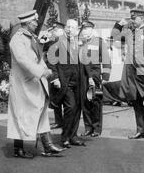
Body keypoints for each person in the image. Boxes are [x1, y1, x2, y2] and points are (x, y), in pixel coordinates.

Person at [7, 10, 64, 158]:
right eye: (34, 22)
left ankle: (47, 144)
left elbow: (37, 58)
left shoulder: (31, 37)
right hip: (23, 84)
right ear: (26, 23)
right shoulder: (17, 39)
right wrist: (41, 71)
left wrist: (45, 71)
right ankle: (18, 149)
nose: (36, 24)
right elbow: (22, 60)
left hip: (33, 82)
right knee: (21, 115)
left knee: (40, 111)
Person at [111, 8, 144, 141]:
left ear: (143, 19)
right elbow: (115, 36)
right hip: (130, 72)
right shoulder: (129, 32)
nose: (132, 20)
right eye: (131, 17)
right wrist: (118, 24)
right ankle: (140, 130)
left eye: (135, 18)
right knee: (136, 102)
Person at [48, 19, 86, 148]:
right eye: (68, 27)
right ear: (65, 29)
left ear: (77, 30)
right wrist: (55, 78)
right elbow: (51, 61)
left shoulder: (79, 43)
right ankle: (65, 137)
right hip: (65, 82)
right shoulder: (58, 42)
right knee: (70, 107)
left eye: (73, 27)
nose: (70, 29)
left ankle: (73, 136)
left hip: (79, 82)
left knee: (77, 109)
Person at [79, 20, 111, 137]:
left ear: (92, 29)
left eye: (86, 29)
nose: (84, 31)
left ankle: (97, 128)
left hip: (95, 74)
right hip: (82, 75)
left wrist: (106, 76)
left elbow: (106, 60)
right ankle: (88, 127)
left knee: (96, 102)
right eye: (83, 29)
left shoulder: (99, 42)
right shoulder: (81, 43)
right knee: (85, 101)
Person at [40, 21, 65, 130]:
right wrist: (46, 33)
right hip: (55, 73)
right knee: (55, 99)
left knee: (66, 100)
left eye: (56, 30)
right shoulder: (51, 41)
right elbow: (40, 42)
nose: (54, 32)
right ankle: (59, 121)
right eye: (53, 30)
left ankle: (63, 122)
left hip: (64, 74)